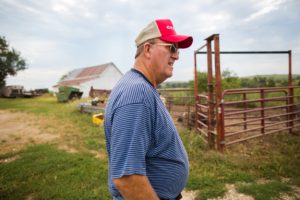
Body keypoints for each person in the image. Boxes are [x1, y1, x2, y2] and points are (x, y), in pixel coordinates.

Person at [104, 19, 193, 200]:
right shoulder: (137, 94)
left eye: (178, 50)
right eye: (172, 48)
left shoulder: (141, 87)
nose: (177, 56)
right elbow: (127, 177)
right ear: (147, 49)